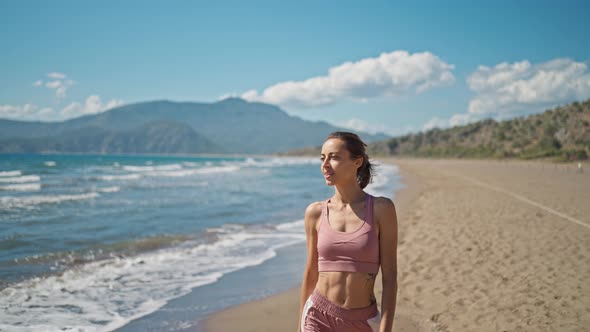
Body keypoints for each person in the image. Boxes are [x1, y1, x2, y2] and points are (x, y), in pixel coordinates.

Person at [298, 131, 398, 332]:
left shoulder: (381, 209)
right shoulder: (315, 213)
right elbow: (311, 273)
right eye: (322, 158)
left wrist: (385, 328)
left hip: (361, 321)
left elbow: (390, 277)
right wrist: (299, 327)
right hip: (317, 315)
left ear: (357, 162)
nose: (325, 164)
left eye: (334, 157)